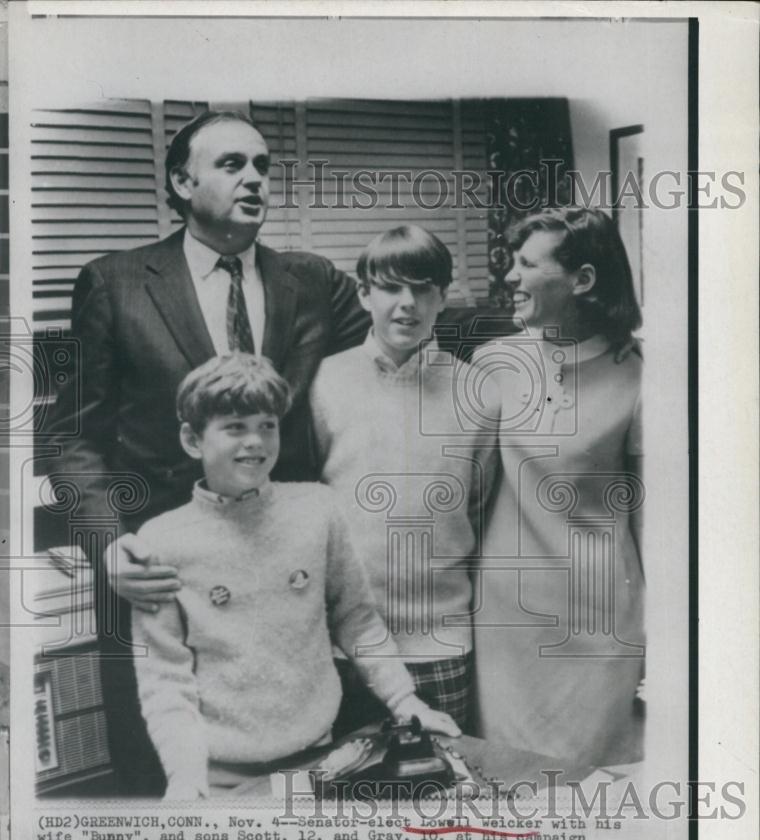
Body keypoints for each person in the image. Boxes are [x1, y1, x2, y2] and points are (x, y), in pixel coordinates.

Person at [50, 110, 370, 793]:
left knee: (298, 786)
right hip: (162, 576)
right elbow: (72, 434)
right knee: (174, 790)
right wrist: (110, 545)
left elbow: (388, 364)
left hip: (281, 586)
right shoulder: (116, 284)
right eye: (232, 165)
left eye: (262, 166)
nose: (254, 178)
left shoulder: (313, 282)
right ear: (181, 180)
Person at [131, 353, 460, 799]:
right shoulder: (161, 541)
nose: (256, 442)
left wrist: (405, 701)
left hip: (322, 758)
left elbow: (357, 620)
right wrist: (185, 777)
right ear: (193, 439)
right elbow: (165, 680)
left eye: (267, 425)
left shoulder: (317, 510)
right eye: (234, 427)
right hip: (220, 774)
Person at [471, 206, 644, 766]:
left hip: (601, 624)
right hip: (509, 626)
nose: (510, 277)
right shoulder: (494, 363)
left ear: (583, 280)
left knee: (592, 796)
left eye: (526, 264)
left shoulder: (642, 373)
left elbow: (657, 522)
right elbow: (463, 497)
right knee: (513, 791)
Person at [309, 225, 500, 733]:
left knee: (438, 799)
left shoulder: (478, 392)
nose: (407, 303)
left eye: (423, 288)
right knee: (344, 802)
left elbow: (479, 509)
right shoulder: (322, 382)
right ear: (364, 293)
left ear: (443, 296)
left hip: (442, 642)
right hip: (343, 645)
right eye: (391, 287)